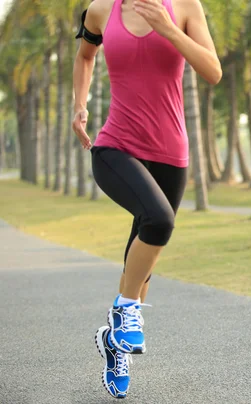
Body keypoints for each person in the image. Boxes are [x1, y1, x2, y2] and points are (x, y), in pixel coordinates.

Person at [72, 0, 221, 398]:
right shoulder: (100, 10)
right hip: (116, 144)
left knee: (145, 247)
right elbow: (86, 56)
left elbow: (212, 72)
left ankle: (116, 345)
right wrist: (80, 105)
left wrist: (169, 29)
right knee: (159, 220)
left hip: (171, 152)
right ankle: (123, 310)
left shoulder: (187, 7)